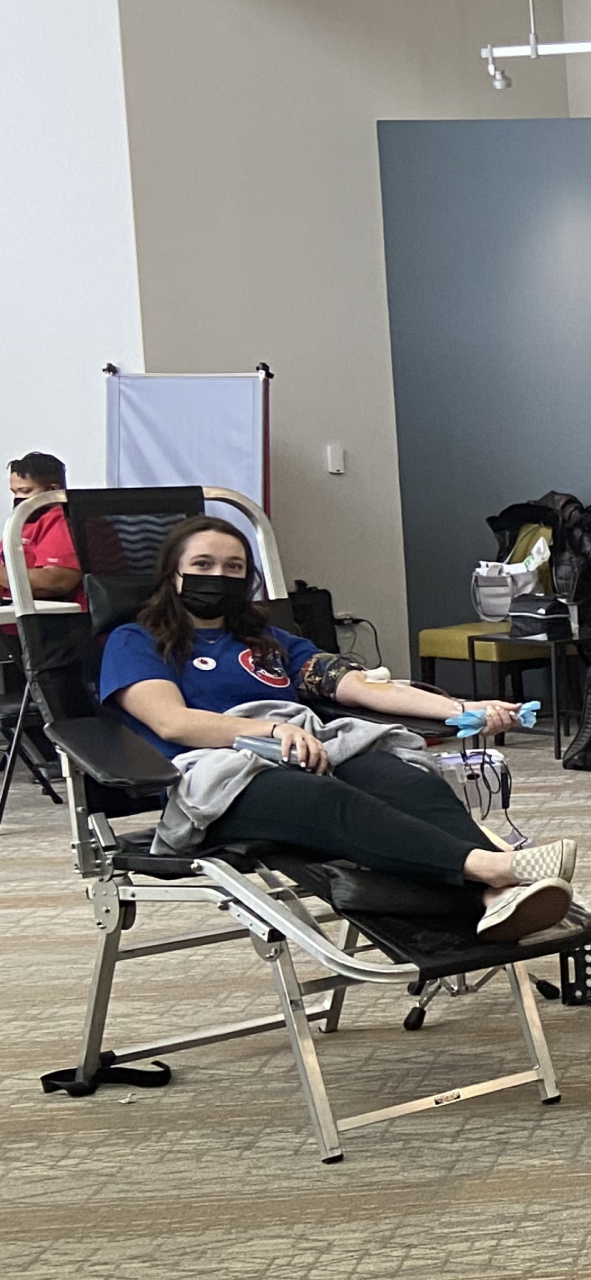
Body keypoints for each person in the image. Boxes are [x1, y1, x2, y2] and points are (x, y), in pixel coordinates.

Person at [100, 515, 577, 943]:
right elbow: (172, 722)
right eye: (202, 565)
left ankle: (496, 897)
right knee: (331, 799)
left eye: (233, 567)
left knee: (403, 778)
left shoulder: (270, 642)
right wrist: (269, 732)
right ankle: (494, 868)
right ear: (173, 573)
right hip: (216, 779)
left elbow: (360, 687)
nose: (218, 577)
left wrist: (462, 706)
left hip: (304, 752)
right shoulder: (137, 641)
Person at [0, 452, 85, 606]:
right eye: (14, 492)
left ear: (53, 489)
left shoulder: (64, 521)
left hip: (51, 615)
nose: (18, 498)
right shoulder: (22, 521)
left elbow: (56, 582)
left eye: (25, 491)